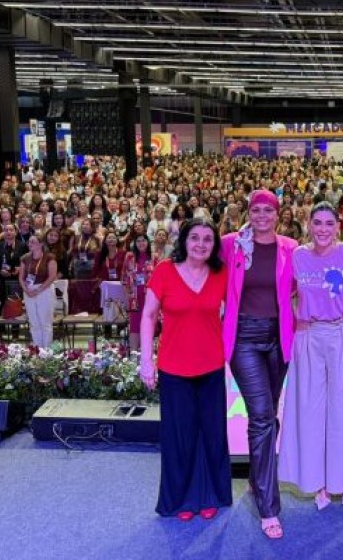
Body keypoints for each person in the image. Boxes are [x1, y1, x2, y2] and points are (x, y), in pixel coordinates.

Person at [280, 203, 343, 512]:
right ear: (308, 224)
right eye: (317, 222)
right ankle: (319, 481)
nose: (323, 229)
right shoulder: (298, 256)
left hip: (342, 337)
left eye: (329, 223)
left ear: (338, 226)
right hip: (309, 338)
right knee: (311, 413)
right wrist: (297, 318)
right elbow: (284, 295)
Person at [139, 218, 231, 521]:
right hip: (174, 367)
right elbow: (148, 316)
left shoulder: (221, 274)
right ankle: (181, 499)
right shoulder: (164, 271)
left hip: (211, 365)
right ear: (184, 241)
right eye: (195, 238)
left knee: (211, 434)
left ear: (214, 245)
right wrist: (146, 360)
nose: (201, 244)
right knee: (179, 436)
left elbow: (233, 315)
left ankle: (209, 496)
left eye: (208, 239)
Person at [220, 189, 298, 540]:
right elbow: (203, 272)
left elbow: (304, 287)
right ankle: (269, 508)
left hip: (279, 338)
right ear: (248, 213)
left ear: (278, 214)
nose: (262, 216)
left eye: (269, 210)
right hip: (244, 339)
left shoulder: (291, 248)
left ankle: (256, 478)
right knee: (263, 416)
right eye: (256, 210)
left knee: (269, 415)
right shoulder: (230, 245)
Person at [18, 235, 58, 349]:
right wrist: (26, 290)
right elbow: (21, 277)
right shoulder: (25, 258)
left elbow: (52, 276)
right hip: (29, 290)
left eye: (33, 242)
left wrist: (38, 290)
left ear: (40, 244)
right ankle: (37, 349)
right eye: (29, 242)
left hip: (44, 290)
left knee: (45, 322)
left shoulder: (49, 257)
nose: (30, 244)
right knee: (34, 323)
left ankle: (47, 349)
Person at [123, 234, 154, 352]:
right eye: (138, 241)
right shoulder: (129, 257)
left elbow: (160, 279)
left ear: (148, 242)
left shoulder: (154, 257)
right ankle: (134, 353)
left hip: (150, 298)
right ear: (135, 244)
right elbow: (124, 278)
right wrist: (127, 296)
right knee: (135, 325)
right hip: (134, 298)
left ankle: (147, 353)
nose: (141, 243)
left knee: (149, 325)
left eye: (143, 240)